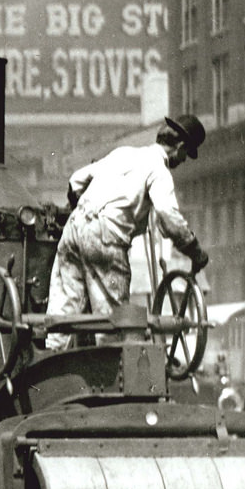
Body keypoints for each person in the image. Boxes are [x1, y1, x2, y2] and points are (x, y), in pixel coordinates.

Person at [46, 114, 210, 350]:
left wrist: (83, 216)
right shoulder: (159, 171)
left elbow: (75, 181)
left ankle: (50, 364)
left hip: (73, 229)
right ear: (180, 147)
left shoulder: (123, 153)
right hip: (105, 238)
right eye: (186, 154)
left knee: (62, 313)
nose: (184, 160)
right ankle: (108, 377)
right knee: (112, 322)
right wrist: (194, 250)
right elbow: (168, 217)